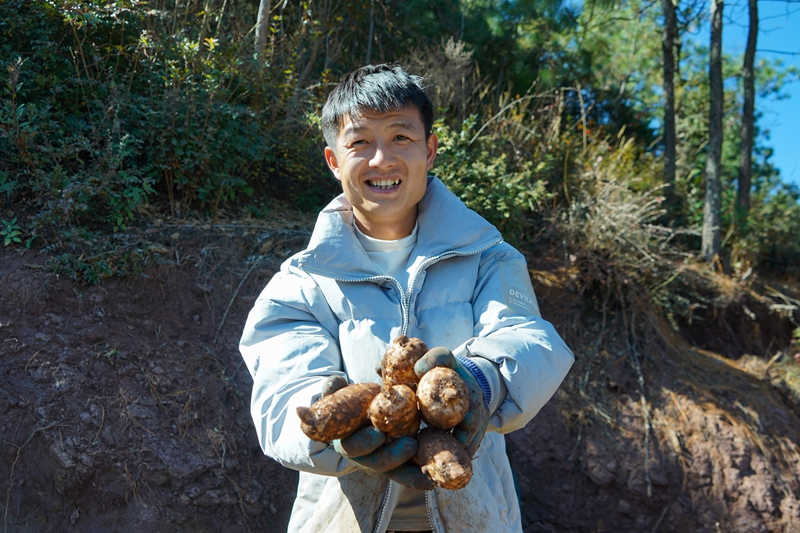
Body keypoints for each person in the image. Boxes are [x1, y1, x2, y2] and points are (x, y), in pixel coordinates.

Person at [239, 63, 574, 533]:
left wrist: (478, 382)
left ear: (430, 150)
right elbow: (282, 394)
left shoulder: (489, 258)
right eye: (359, 142)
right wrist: (337, 427)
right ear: (334, 161)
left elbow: (526, 337)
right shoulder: (300, 284)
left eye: (401, 137)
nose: (382, 160)